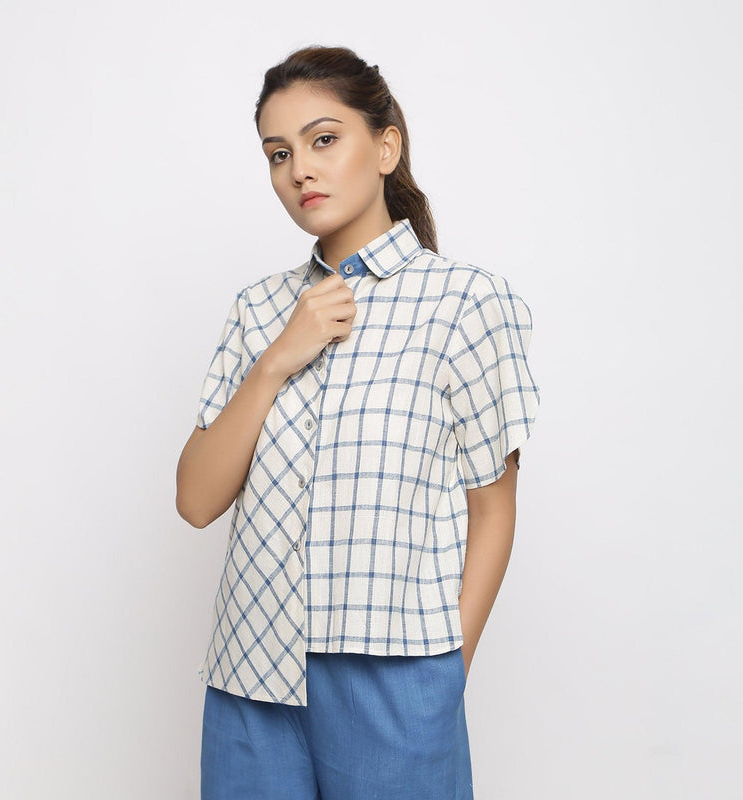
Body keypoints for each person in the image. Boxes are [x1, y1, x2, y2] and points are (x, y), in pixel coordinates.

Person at [176, 44, 540, 800]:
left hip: (396, 677)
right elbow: (197, 499)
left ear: (385, 145)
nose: (299, 169)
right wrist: (281, 355)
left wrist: (445, 672)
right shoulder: (259, 311)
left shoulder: (466, 302)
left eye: (323, 139)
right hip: (251, 676)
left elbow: (493, 508)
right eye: (278, 153)